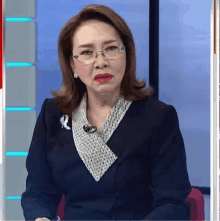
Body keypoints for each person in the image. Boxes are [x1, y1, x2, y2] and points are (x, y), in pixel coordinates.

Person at [21, 4, 192, 221]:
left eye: (111, 48)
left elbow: (172, 203)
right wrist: (40, 218)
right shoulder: (53, 114)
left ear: (127, 54)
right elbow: (38, 192)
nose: (101, 62)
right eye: (86, 52)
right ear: (72, 64)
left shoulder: (158, 118)